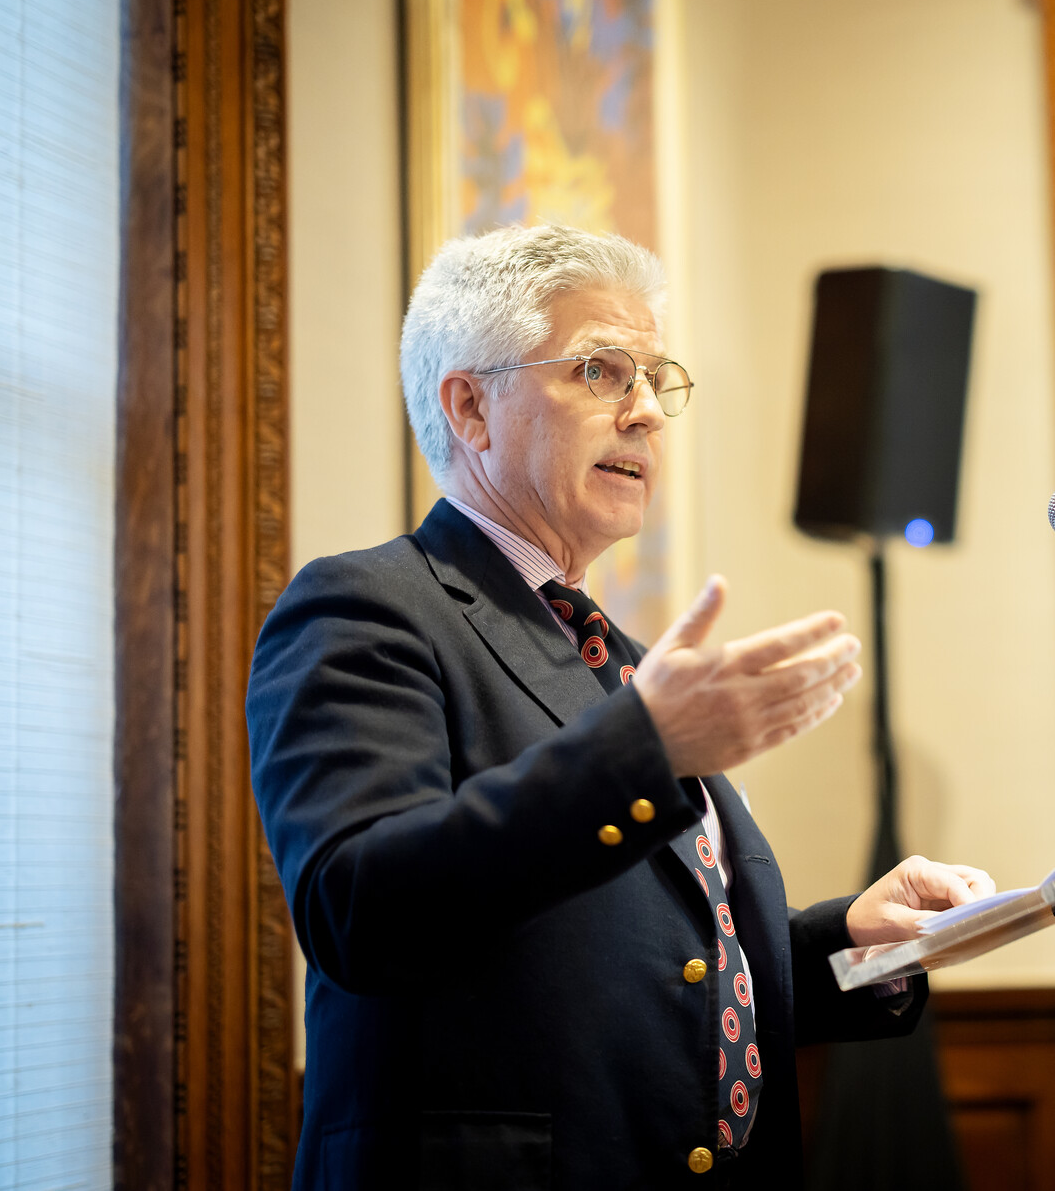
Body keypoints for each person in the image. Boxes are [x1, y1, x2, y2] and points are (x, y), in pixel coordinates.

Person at [248, 224, 993, 1189]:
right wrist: (646, 749)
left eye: (654, 378)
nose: (645, 412)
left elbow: (679, 970)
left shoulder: (626, 662)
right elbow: (361, 912)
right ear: (469, 406)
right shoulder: (367, 610)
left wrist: (851, 939)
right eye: (602, 370)